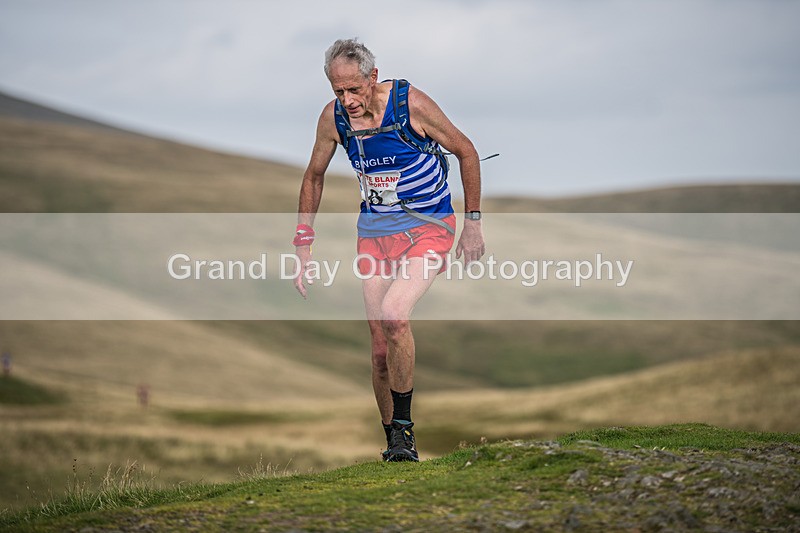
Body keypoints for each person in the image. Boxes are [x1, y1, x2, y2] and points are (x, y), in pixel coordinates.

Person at [293, 38, 485, 462]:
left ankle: (405, 430)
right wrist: (303, 243)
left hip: (429, 229)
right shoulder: (334, 120)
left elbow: (466, 151)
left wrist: (472, 223)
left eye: (354, 89)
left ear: (372, 78)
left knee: (395, 316)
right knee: (380, 350)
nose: (347, 100)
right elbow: (313, 176)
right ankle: (394, 443)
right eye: (337, 92)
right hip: (375, 235)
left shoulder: (410, 104)